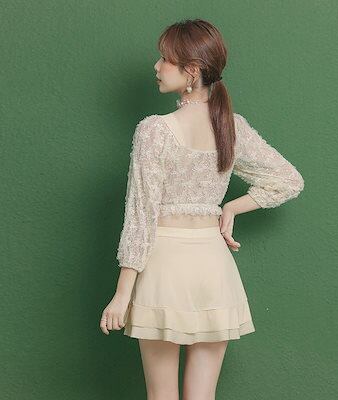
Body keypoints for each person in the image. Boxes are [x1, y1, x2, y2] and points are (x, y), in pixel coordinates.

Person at [100, 18, 305, 400]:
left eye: (165, 59)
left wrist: (122, 293)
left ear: (192, 71)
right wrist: (231, 208)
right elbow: (288, 180)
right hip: (213, 267)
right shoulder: (232, 127)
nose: (157, 67)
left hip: (164, 267)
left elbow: (141, 217)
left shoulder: (154, 130)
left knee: (161, 395)